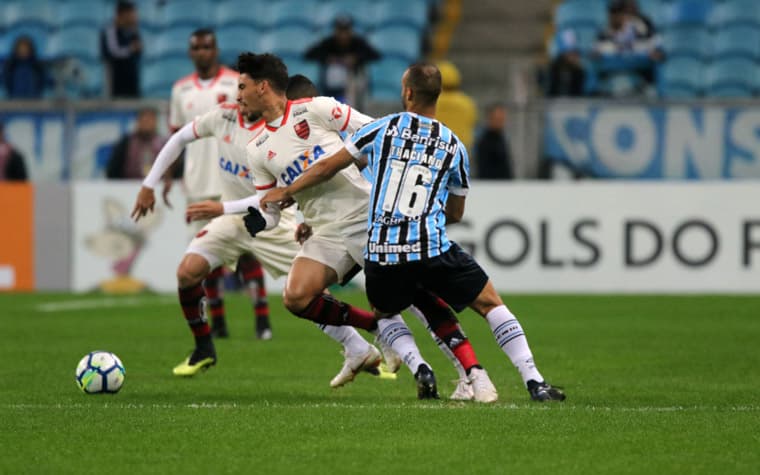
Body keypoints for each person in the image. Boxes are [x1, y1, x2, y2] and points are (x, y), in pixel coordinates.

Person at [263, 62, 566, 402]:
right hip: (430, 247)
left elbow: (325, 168)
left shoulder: (382, 128)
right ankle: (533, 381)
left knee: (386, 312)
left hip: (381, 253)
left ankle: (423, 366)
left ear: (407, 92)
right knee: (489, 303)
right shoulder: (454, 146)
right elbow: (456, 212)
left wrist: (287, 192)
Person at [168, 28, 272, 340]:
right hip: (196, 182)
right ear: (190, 52)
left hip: (234, 180)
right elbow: (177, 136)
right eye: (196, 47)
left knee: (247, 251)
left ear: (215, 50)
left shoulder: (235, 83)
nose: (202, 52)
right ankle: (219, 323)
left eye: (207, 47)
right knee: (206, 255)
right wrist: (167, 177)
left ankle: (262, 321)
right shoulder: (180, 90)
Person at [304, 15, 380, 108]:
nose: (343, 35)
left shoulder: (357, 42)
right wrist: (329, 58)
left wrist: (356, 58)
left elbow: (375, 55)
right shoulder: (329, 42)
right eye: (340, 31)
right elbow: (309, 54)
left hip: (354, 82)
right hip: (331, 84)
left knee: (358, 82)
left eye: (346, 31)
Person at [106, 108, 166, 179]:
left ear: (155, 122)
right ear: (138, 122)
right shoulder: (126, 143)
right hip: (128, 185)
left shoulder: (163, 144)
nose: (146, 124)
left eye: (149, 120)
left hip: (157, 185)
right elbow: (113, 168)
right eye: (144, 120)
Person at [100, 0, 142, 98]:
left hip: (132, 87)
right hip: (115, 87)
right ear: (123, 14)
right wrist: (130, 49)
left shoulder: (133, 32)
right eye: (132, 13)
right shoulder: (110, 32)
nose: (135, 16)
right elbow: (112, 52)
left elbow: (138, 51)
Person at [435, 60, 477, 151]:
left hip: (437, 149)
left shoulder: (431, 101)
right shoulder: (466, 102)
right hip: (461, 149)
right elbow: (473, 122)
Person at [474, 103, 514, 179]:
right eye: (497, 119)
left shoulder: (501, 138)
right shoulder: (485, 141)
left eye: (502, 119)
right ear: (490, 119)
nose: (500, 122)